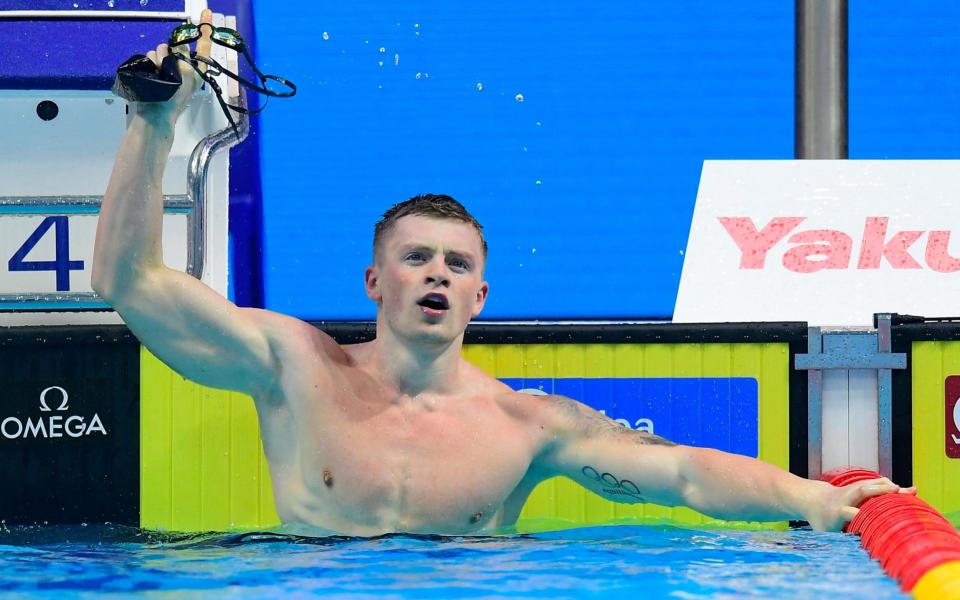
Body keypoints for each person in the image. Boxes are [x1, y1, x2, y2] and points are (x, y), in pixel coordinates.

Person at [92, 9, 915, 536]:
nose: (435, 275)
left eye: (456, 263)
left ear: (480, 295)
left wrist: (811, 499)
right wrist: (154, 124)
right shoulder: (295, 368)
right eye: (415, 258)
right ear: (374, 283)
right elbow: (128, 281)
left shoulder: (527, 426)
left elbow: (684, 474)